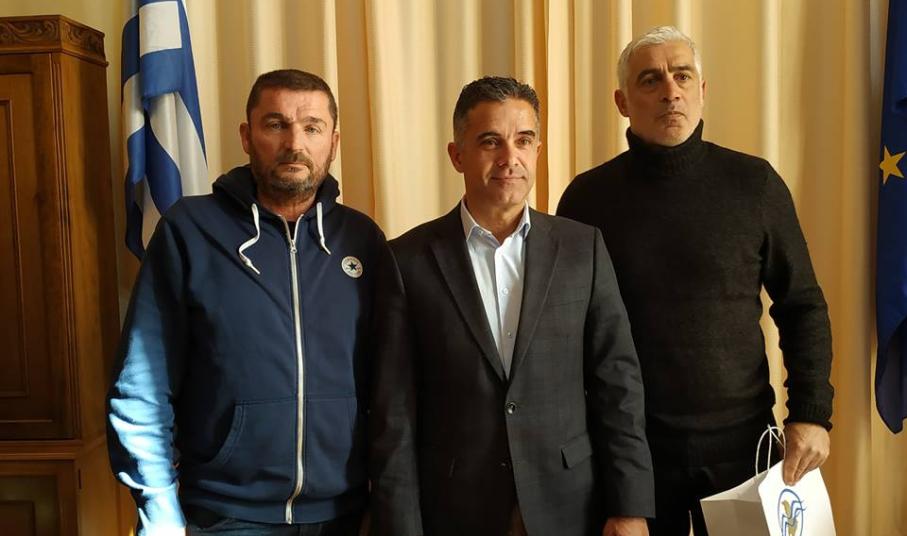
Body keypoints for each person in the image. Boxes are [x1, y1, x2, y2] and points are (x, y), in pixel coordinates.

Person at [557, 26, 834, 536]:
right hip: (632, 459)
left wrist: (811, 413)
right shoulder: (587, 200)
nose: (671, 91)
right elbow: (569, 339)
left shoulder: (755, 184)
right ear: (622, 102)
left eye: (683, 76)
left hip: (745, 454)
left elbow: (802, 306)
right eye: (651, 79)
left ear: (702, 90)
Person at [107, 69, 391, 536]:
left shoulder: (362, 240)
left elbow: (390, 384)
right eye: (276, 124)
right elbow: (142, 383)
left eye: (312, 128)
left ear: (334, 142)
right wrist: (158, 506)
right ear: (246, 135)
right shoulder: (190, 231)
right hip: (225, 515)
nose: (294, 143)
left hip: (344, 514)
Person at [369, 76, 654, 536]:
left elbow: (618, 384)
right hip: (456, 510)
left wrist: (630, 508)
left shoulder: (582, 248)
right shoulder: (406, 260)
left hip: (570, 505)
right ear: (457, 155)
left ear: (537, 150)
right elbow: (393, 415)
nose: (509, 158)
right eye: (490, 142)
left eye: (523, 141)